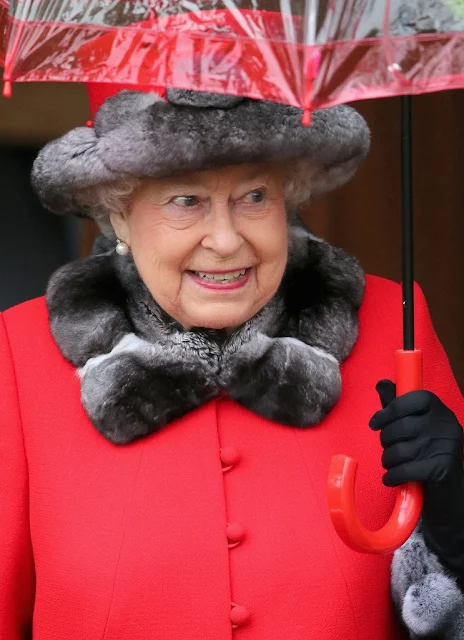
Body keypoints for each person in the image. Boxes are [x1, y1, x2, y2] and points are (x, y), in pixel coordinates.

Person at [1, 85, 463, 640]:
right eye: (185, 201)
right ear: (117, 214)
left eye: (254, 197)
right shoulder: (21, 352)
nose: (225, 240)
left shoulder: (395, 325)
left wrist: (456, 523)